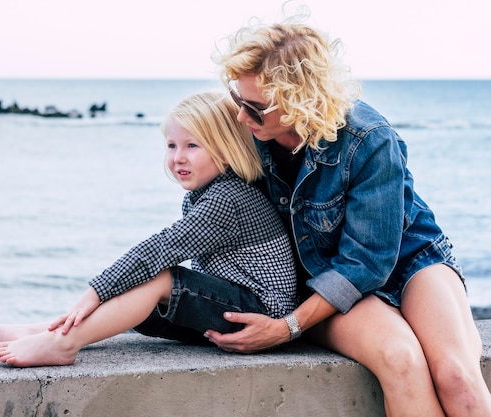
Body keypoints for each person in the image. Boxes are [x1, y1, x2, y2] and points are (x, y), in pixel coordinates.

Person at [201, 19, 491, 417]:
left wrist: (287, 328)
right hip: (322, 277)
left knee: (459, 379)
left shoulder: (369, 139)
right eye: (237, 99)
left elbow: (368, 262)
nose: (240, 116)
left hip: (409, 259)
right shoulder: (246, 131)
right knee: (401, 359)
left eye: (253, 107)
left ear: (300, 99)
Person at [0, 91, 297, 367]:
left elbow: (160, 249)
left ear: (225, 149)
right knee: (138, 302)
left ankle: (63, 344)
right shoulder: (206, 194)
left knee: (158, 277)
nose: (178, 157)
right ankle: (36, 331)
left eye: (192, 146)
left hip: (260, 317)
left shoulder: (228, 199)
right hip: (235, 309)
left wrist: (95, 291)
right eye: (171, 145)